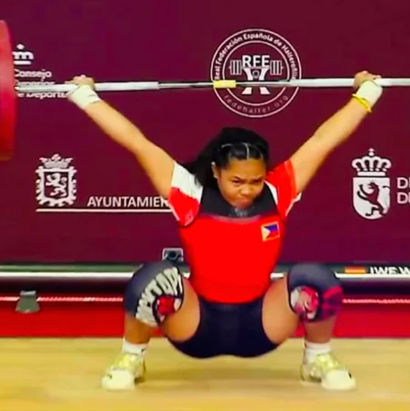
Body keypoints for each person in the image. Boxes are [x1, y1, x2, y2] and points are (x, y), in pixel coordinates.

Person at [65, 71, 383, 391]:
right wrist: (85, 95)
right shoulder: (189, 193)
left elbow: (323, 141)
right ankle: (131, 357)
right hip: (196, 325)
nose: (247, 190)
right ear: (216, 172)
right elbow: (137, 143)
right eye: (237, 181)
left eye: (256, 181)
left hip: (261, 325)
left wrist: (366, 94)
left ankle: (317, 358)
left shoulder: (278, 191)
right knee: (153, 277)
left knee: (316, 279)